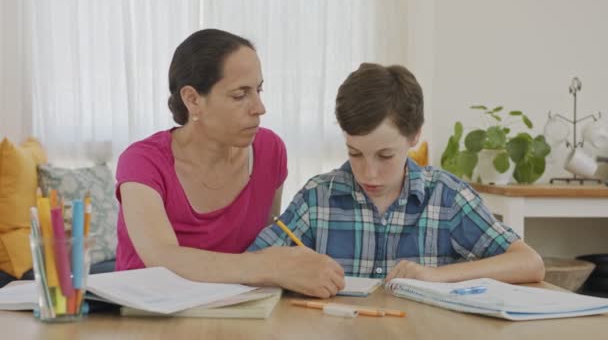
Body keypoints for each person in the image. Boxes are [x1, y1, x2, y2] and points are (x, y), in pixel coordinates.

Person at [249, 63, 545, 283]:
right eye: (355, 153)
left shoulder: (447, 197)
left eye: (385, 155)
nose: (369, 173)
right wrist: (289, 269)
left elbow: (529, 262)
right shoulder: (317, 198)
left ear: (414, 136)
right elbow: (251, 264)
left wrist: (437, 276)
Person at [115, 29, 345, 298]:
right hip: (144, 319)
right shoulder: (143, 162)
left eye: (258, 90)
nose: (259, 107)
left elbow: (262, 242)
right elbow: (162, 257)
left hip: (235, 315)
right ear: (193, 99)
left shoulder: (270, 151)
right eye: (240, 95)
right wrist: (270, 264)